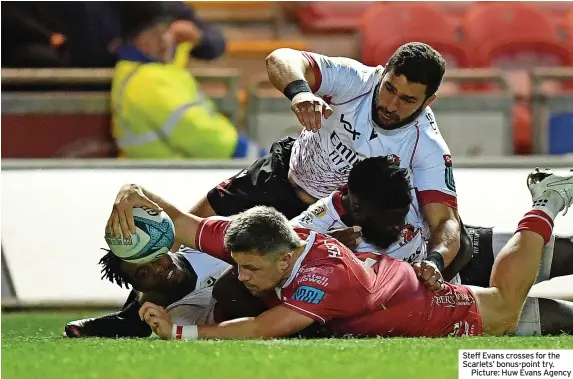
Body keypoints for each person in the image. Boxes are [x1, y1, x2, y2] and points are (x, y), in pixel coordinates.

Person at [106, 166, 572, 340]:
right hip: (397, 285)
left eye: (250, 269)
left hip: (436, 309)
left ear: (285, 262)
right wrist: (132, 190)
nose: (242, 274)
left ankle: (546, 202)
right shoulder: (260, 237)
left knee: (507, 306)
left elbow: (262, 327)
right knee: (556, 323)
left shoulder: (321, 278)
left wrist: (180, 334)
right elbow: (185, 225)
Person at [189, 42, 473, 283]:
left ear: (429, 101)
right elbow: (280, 58)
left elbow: (446, 222)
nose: (391, 105)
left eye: (408, 100)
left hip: (329, 220)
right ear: (384, 71)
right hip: (281, 175)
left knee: (238, 279)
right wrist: (300, 92)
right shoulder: (356, 80)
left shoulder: (427, 145)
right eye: (389, 89)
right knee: (191, 228)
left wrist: (435, 261)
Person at [111, 2, 260, 159]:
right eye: (157, 32)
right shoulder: (149, 81)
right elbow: (200, 134)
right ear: (139, 38)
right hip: (172, 174)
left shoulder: (145, 71)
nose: (165, 39)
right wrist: (249, 153)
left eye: (167, 30)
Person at [64, 245, 230, 338]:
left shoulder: (198, 245)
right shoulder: (182, 317)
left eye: (154, 255)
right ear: (138, 288)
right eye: (143, 273)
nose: (158, 267)